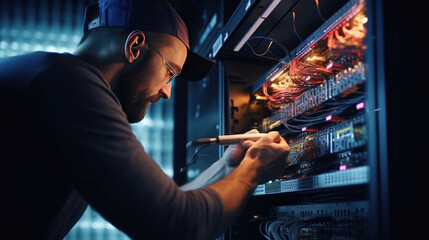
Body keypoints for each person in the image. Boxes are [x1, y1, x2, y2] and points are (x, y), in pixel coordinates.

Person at [0, 0, 290, 239]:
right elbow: (175, 225)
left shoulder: (50, 76)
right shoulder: (68, 84)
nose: (166, 92)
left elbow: (162, 207)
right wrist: (253, 171)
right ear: (134, 46)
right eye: (170, 72)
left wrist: (227, 167)